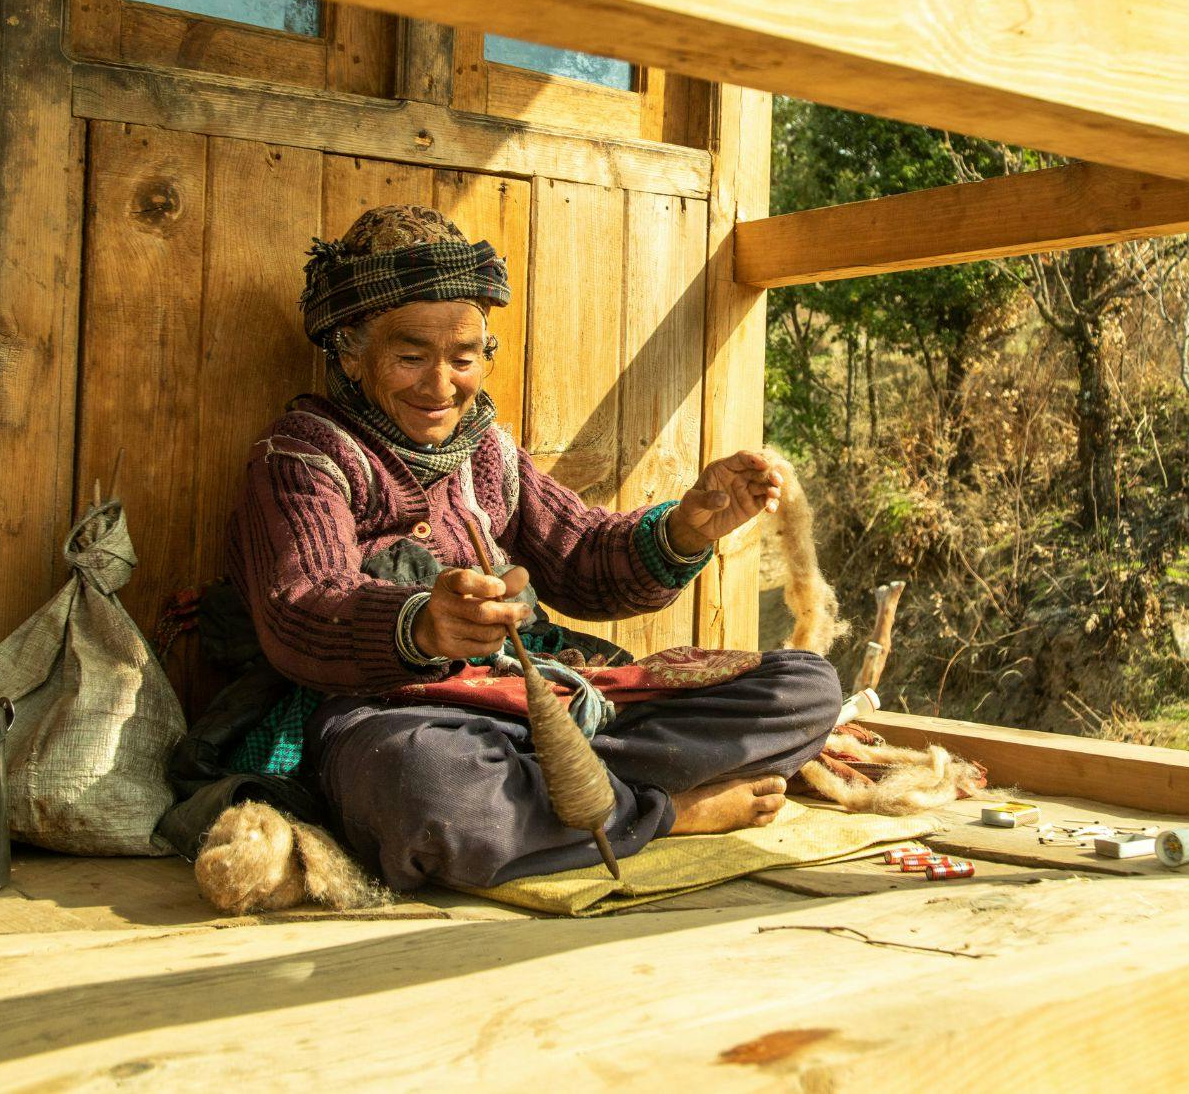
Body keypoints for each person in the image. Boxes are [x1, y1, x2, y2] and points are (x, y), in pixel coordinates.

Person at [222, 203, 838, 892]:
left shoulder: (486, 454)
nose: (440, 385)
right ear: (351, 351)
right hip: (400, 721)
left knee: (804, 687)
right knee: (429, 790)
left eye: (462, 358)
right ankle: (662, 812)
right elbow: (300, 607)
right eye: (409, 358)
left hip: (541, 704)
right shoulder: (303, 457)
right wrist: (423, 623)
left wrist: (689, 527)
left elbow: (581, 560)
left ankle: (559, 804)